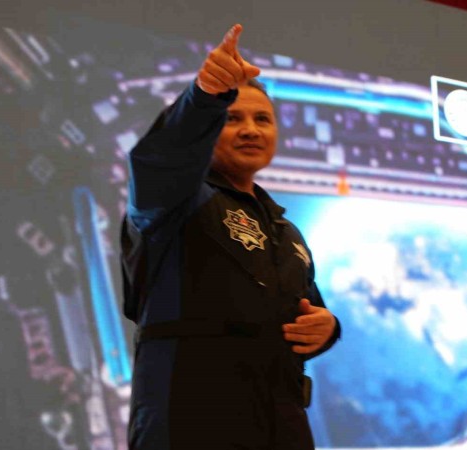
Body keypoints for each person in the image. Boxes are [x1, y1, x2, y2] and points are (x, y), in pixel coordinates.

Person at [120, 23, 341, 450]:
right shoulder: (175, 200)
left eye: (263, 120)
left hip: (281, 421)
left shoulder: (286, 231)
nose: (251, 130)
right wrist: (205, 96)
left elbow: (309, 312)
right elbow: (161, 157)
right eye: (233, 118)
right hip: (190, 420)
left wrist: (328, 328)